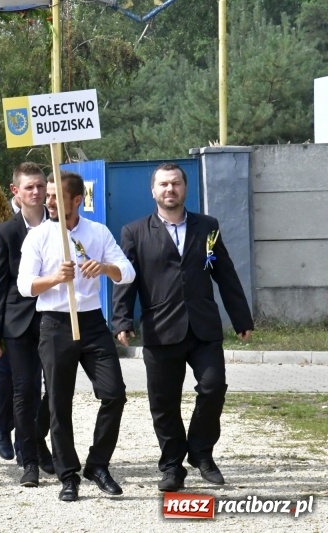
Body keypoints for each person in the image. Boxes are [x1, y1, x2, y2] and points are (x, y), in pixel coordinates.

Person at [112, 162, 254, 492]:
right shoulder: (134, 232)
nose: (170, 189)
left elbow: (226, 274)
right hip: (161, 329)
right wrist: (121, 320)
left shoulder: (208, 227)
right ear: (153, 190)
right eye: (163, 184)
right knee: (164, 403)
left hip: (203, 328)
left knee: (214, 387)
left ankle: (202, 454)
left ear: (185, 188)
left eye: (175, 183)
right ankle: (172, 466)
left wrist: (241, 319)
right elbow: (126, 280)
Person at [17, 171, 134, 502]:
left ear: (76, 200)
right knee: (58, 402)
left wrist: (105, 268)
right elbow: (25, 286)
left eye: (55, 196)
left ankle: (98, 465)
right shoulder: (38, 237)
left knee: (114, 394)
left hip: (93, 323)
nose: (47, 200)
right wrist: (54, 278)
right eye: (47, 195)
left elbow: (127, 272)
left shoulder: (97, 232)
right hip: (54, 323)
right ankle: (68, 475)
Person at [0, 162, 54, 487]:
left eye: (41, 186)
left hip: (54, 320)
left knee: (55, 393)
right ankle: (29, 461)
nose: (37, 192)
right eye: (30, 187)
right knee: (25, 392)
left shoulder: (60, 228)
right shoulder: (7, 232)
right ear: (17, 191)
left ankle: (38, 441)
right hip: (18, 325)